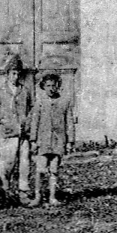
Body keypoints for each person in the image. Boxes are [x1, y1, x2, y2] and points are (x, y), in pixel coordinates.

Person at [0, 54, 33, 203]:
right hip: (8, 133)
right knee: (7, 162)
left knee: (25, 162)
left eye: (18, 73)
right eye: (13, 73)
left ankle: (23, 191)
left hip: (24, 132)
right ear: (7, 74)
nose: (16, 76)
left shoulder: (25, 90)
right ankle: (4, 190)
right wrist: (0, 121)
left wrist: (29, 121)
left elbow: (32, 109)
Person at [29, 70, 74, 206]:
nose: (51, 88)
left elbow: (69, 122)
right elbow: (35, 122)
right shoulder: (40, 102)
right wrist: (33, 140)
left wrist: (70, 141)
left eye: (53, 85)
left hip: (58, 141)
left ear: (58, 86)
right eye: (48, 86)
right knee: (40, 169)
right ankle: (38, 196)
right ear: (43, 86)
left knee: (54, 169)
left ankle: (52, 197)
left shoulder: (64, 101)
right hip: (43, 141)